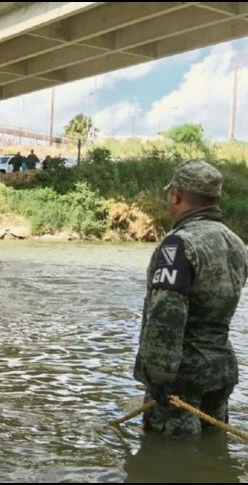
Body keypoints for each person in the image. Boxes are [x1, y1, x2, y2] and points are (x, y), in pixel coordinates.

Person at [133, 160, 248, 438]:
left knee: (166, 457)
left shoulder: (179, 244)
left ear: (176, 196)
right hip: (221, 371)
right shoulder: (236, 243)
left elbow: (166, 317)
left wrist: (159, 379)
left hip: (181, 379)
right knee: (213, 450)